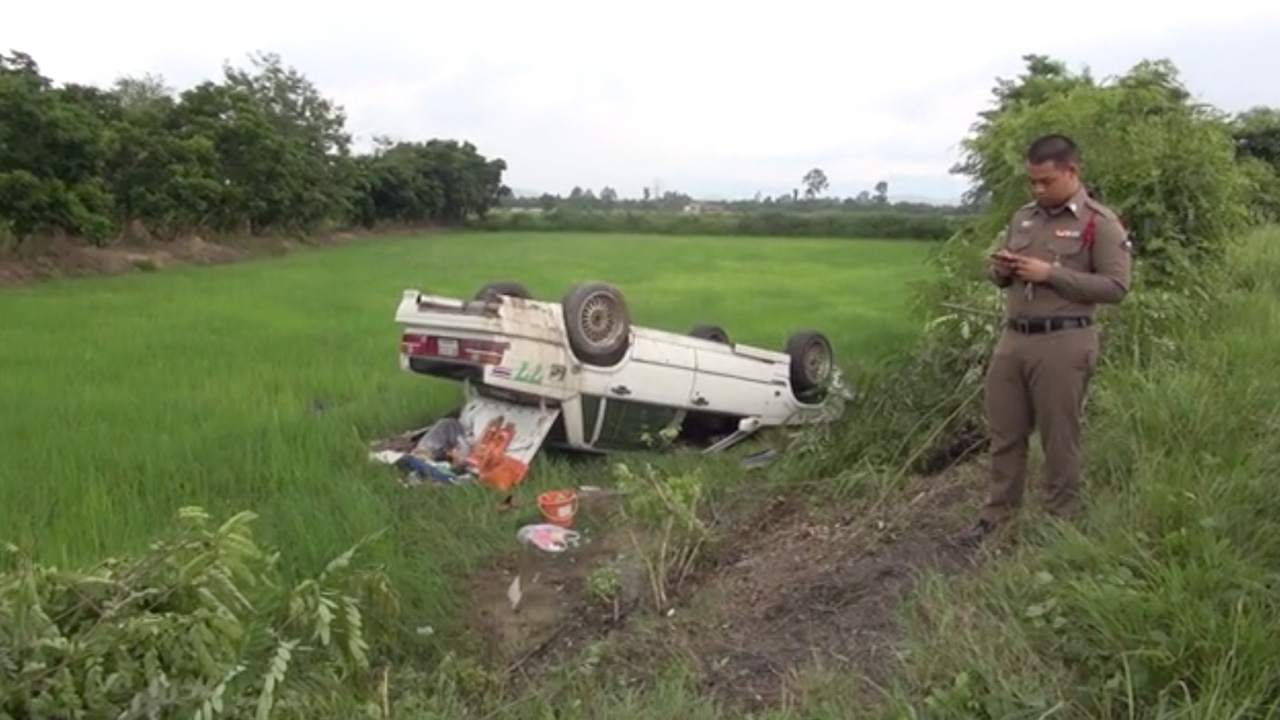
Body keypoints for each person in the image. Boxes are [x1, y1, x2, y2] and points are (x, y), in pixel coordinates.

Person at [959, 134, 1134, 547]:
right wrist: (1002, 270)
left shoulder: (1099, 223)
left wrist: (1050, 273)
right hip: (1014, 339)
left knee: (1059, 435)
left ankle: (1061, 518)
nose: (1038, 189)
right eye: (1032, 182)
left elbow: (1116, 287)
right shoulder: (1023, 218)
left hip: (1065, 341)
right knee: (1005, 432)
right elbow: (1004, 275)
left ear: (1071, 172)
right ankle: (998, 514)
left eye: (1046, 181)